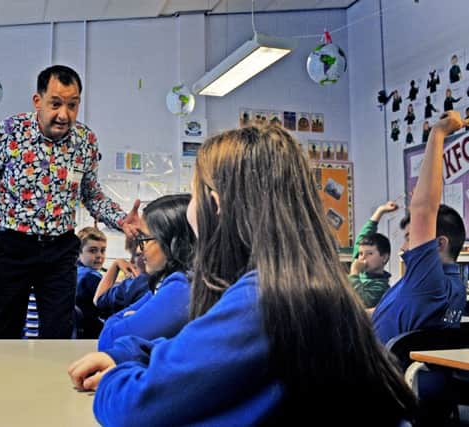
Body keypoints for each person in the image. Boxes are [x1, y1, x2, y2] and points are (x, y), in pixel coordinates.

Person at [69, 125, 417, 426]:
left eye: (195, 193)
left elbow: (134, 409)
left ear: (216, 204)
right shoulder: (303, 286)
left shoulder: (261, 301)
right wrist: (130, 355)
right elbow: (191, 352)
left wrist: (115, 375)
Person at [0, 65, 140, 339]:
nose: (64, 115)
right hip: (13, 246)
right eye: (55, 104)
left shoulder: (85, 141)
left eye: (72, 105)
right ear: (37, 101)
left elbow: (91, 194)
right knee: (1, 331)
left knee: (58, 332)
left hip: (60, 250)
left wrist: (120, 218)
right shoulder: (8, 132)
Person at [372, 111, 469, 345]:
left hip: (375, 375)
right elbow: (387, 314)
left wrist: (438, 132)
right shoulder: (445, 287)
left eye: (409, 238)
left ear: (439, 243)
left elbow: (424, 209)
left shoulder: (429, 282)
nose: (405, 247)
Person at [97, 194, 194, 351]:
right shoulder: (167, 283)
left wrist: (128, 318)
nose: (139, 250)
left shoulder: (182, 288)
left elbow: (108, 339)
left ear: (172, 242)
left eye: (144, 239)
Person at [349, 201, 398, 309]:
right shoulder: (361, 269)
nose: (362, 257)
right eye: (361, 253)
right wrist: (380, 211)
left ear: (384, 258)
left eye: (370, 253)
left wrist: (354, 273)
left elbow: (361, 301)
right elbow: (364, 235)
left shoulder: (380, 286)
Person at [93, 237, 149, 316]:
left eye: (137, 255)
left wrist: (116, 264)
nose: (131, 261)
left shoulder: (135, 284)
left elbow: (98, 300)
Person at [76, 226, 107, 338]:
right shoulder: (90, 277)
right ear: (78, 253)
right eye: (92, 251)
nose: (99, 255)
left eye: (103, 250)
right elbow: (110, 300)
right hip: (92, 333)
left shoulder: (74, 272)